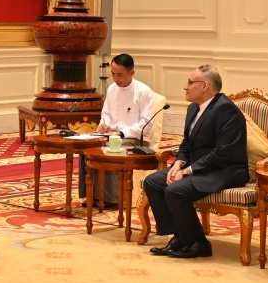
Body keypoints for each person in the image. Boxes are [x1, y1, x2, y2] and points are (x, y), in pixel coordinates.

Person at [143, 64, 248, 259]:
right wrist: (178, 164)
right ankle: (181, 237)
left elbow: (223, 153)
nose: (185, 86)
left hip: (225, 171)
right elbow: (187, 143)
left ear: (205, 85)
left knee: (175, 190)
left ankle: (199, 243)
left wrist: (188, 171)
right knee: (153, 181)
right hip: (199, 167)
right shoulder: (194, 108)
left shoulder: (226, 110)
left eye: (190, 82)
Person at [77, 53, 156, 208]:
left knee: (107, 148)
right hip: (110, 134)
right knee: (85, 147)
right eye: (113, 74)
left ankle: (112, 198)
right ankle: (91, 194)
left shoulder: (144, 92)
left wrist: (121, 133)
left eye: (120, 75)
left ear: (131, 72)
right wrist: (104, 124)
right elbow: (106, 113)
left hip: (135, 138)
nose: (115, 78)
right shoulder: (112, 89)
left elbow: (146, 124)